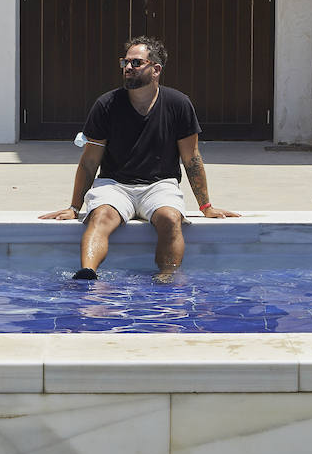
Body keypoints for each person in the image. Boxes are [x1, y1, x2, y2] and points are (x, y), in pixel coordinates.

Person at [40, 36, 239, 283]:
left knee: (169, 217)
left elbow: (191, 159)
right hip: (114, 185)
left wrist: (206, 206)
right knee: (100, 216)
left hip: (160, 184)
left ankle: (166, 279)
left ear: (156, 69)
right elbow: (90, 161)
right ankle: (87, 275)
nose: (127, 68)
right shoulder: (106, 104)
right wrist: (74, 207)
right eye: (125, 62)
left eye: (136, 62)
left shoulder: (178, 104)